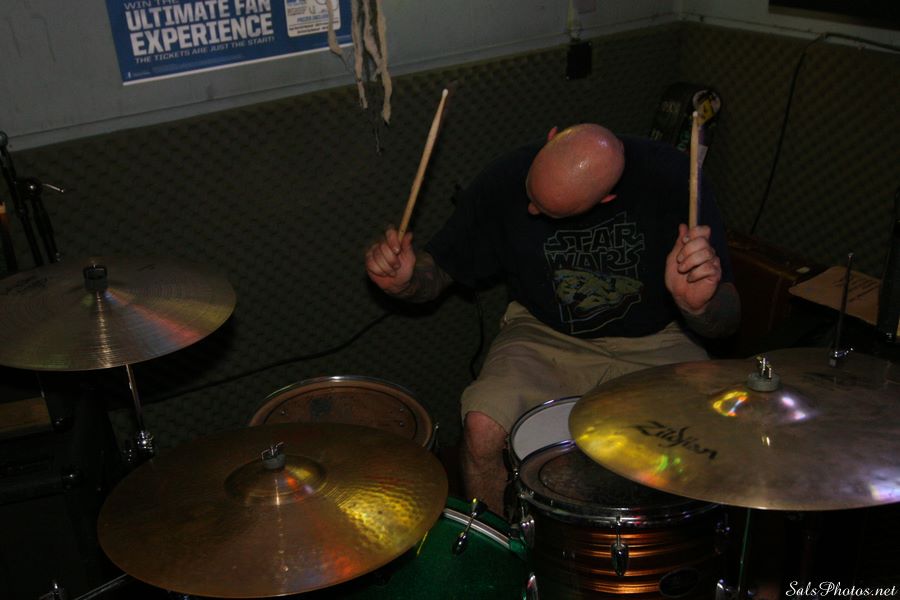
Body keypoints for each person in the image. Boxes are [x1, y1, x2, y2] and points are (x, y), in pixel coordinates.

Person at [365, 123, 740, 516]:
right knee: (481, 428)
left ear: (608, 197)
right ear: (552, 137)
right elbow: (440, 269)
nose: (530, 210)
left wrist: (699, 306)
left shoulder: (673, 178)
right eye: (532, 194)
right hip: (543, 333)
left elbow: (728, 320)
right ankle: (502, 545)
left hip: (660, 337)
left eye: (547, 211)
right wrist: (406, 281)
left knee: (708, 440)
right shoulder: (504, 179)